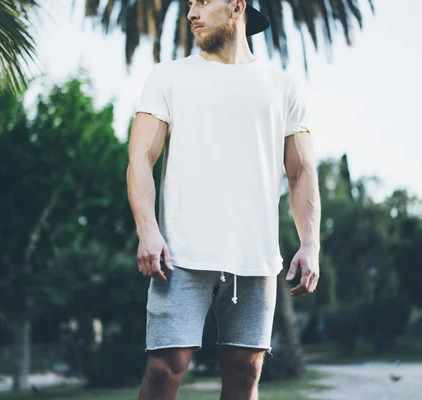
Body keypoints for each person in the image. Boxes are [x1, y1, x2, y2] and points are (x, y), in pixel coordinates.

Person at [126, 0, 321, 399]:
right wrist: (147, 230)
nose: (191, 13)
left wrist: (310, 245)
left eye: (201, 1)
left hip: (256, 258)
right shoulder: (168, 77)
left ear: (236, 5)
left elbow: (301, 172)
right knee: (165, 367)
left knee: (245, 371)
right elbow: (140, 157)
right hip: (178, 255)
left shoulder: (283, 87)